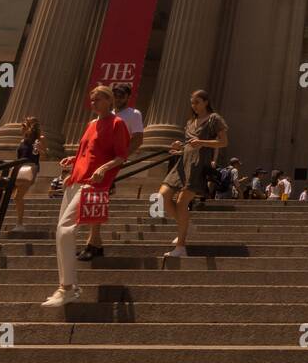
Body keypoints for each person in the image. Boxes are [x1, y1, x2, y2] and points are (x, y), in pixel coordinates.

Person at [42, 86, 129, 307]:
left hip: (93, 183)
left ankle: (68, 288)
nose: (93, 103)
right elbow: (85, 152)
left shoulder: (117, 123)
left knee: (65, 229)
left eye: (97, 99)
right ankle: (67, 286)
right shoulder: (90, 124)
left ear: (109, 101)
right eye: (91, 100)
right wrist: (72, 161)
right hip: (75, 180)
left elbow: (121, 156)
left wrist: (104, 168)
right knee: (61, 232)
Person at [78, 82, 145, 261]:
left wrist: (121, 159)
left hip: (113, 163)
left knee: (97, 199)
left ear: (128, 97)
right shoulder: (103, 116)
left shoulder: (133, 114)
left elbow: (138, 138)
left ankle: (92, 244)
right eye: (115, 94)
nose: (117, 98)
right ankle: (95, 244)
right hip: (98, 164)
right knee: (95, 200)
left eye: (121, 95)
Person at [159, 89, 229, 258]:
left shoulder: (214, 119)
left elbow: (223, 142)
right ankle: (185, 225)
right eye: (192, 102)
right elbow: (188, 145)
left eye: (197, 102)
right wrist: (178, 147)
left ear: (206, 102)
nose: (194, 106)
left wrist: (202, 142)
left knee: (182, 203)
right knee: (162, 196)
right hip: (182, 164)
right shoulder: (191, 121)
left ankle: (181, 247)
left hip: (198, 165)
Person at [0, 116, 44, 234]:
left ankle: (19, 224)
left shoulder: (38, 139)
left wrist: (41, 150)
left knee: (17, 197)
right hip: (17, 169)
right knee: (3, 196)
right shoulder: (22, 140)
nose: (21, 128)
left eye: (24, 125)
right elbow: (19, 157)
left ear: (30, 127)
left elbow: (42, 156)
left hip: (29, 170)